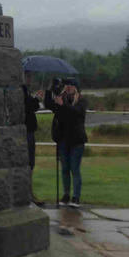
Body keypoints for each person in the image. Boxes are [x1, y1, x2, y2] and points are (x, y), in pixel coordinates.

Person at [45, 77, 87, 208]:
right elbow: (48, 105)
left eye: (71, 85)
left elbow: (76, 112)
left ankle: (76, 197)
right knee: (65, 169)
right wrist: (49, 90)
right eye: (66, 85)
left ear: (76, 87)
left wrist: (63, 105)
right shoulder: (60, 100)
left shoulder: (81, 101)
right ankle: (66, 194)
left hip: (77, 141)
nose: (68, 87)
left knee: (75, 169)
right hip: (63, 140)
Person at [22, 72, 45, 207]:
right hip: (26, 131)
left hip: (29, 130)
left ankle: (29, 193)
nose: (30, 78)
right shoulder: (22, 90)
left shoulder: (25, 90)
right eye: (27, 76)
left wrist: (35, 99)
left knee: (31, 163)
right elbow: (28, 106)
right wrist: (36, 99)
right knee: (29, 163)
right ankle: (29, 194)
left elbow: (33, 107)